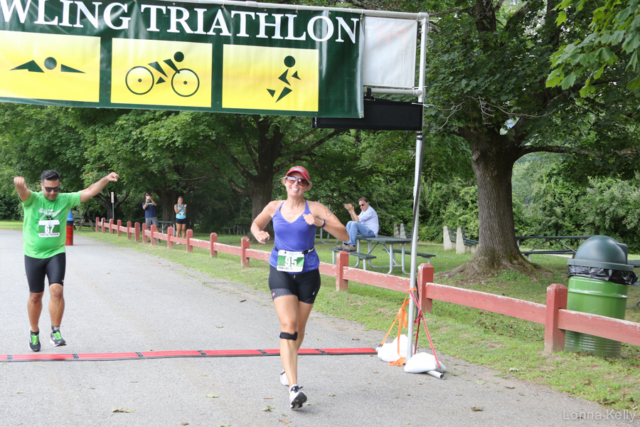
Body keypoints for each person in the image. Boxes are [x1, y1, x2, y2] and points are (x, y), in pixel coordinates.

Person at [251, 166, 349, 410]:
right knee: (289, 325)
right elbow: (255, 224)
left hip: (307, 273)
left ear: (307, 186)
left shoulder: (315, 207)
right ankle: (294, 388)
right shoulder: (274, 206)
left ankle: (287, 370)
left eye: (301, 181)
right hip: (281, 269)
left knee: (300, 328)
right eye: (292, 179)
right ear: (285, 182)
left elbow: (345, 235)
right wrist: (258, 234)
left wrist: (319, 222)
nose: (296, 184)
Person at [14, 170, 119, 352]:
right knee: (35, 296)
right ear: (41, 186)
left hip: (56, 252)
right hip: (33, 254)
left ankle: (55, 331)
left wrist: (105, 179)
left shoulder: (65, 199)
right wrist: (19, 186)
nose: (53, 193)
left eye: (56, 189)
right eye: (49, 189)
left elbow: (90, 191)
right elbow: (23, 193)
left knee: (57, 290)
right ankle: (34, 331)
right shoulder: (34, 199)